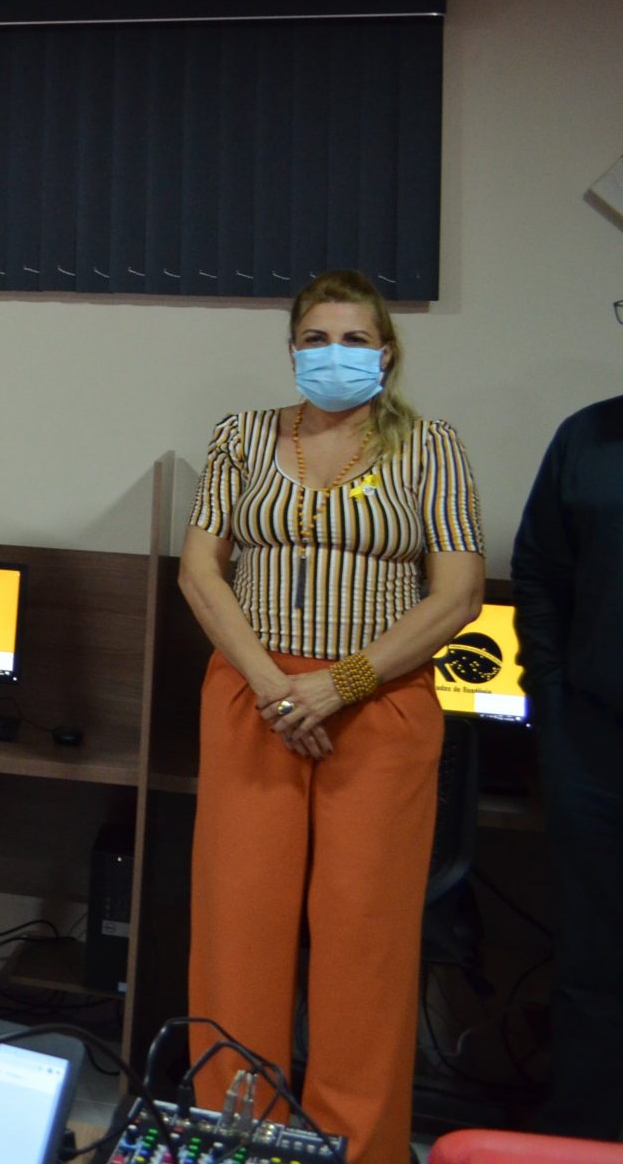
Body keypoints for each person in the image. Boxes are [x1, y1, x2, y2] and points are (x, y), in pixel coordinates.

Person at [179, 268, 485, 1164]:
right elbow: (201, 571)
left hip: (379, 707)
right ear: (291, 350)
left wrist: (340, 684)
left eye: (354, 340)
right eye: (315, 339)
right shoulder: (240, 436)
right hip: (252, 698)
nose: (333, 354)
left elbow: (459, 593)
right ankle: (236, 1139)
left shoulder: (431, 446)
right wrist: (274, 685)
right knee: (238, 928)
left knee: (364, 940)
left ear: (386, 353)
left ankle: (357, 1149)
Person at [511, 310, 623, 1142]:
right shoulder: (586, 440)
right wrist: (551, 704)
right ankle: (583, 1137)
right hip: (593, 744)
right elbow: (540, 578)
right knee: (592, 957)